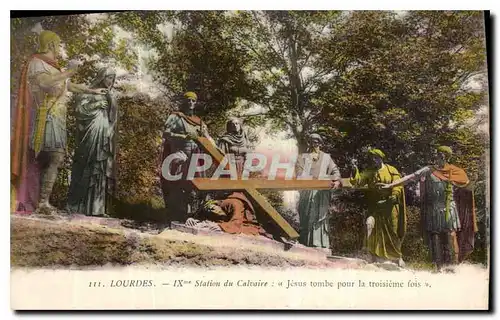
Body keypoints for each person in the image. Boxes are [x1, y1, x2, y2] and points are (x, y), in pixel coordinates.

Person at [11, 29, 107, 215]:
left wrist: (91, 91)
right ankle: (35, 202)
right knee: (42, 158)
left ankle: (42, 202)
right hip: (43, 118)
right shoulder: (37, 63)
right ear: (51, 44)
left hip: (56, 119)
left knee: (54, 158)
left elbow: (69, 85)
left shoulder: (53, 67)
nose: (59, 48)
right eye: (58, 44)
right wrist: (68, 72)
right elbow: (45, 83)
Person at [377, 146, 476, 272]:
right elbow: (409, 178)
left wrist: (467, 184)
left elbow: (468, 186)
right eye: (436, 154)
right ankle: (438, 267)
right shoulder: (428, 170)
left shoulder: (455, 171)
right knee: (435, 238)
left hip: (448, 209)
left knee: (450, 237)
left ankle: (452, 268)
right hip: (433, 209)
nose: (436, 157)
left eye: (439, 154)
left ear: (445, 156)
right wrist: (390, 185)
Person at [66, 67, 118, 217]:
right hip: (90, 132)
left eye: (113, 79)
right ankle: (78, 206)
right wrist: (96, 105)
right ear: (102, 77)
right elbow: (79, 110)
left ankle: (96, 208)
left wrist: (111, 102)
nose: (110, 82)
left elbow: (113, 118)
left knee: (99, 166)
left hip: (103, 132)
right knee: (86, 164)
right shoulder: (88, 91)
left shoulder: (110, 95)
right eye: (108, 78)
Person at [160, 91, 215, 224]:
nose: (190, 103)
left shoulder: (199, 122)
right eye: (188, 100)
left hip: (196, 155)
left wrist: (216, 149)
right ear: (184, 102)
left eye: (193, 101)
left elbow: (208, 138)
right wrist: (183, 137)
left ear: (196, 103)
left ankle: (192, 215)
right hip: (180, 153)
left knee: (195, 184)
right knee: (178, 183)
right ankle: (177, 215)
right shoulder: (176, 117)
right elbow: (166, 133)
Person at [349, 148, 407, 267]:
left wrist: (394, 195)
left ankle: (396, 257)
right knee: (371, 225)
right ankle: (373, 255)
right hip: (376, 206)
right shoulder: (370, 172)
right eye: (372, 159)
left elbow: (398, 184)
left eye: (376, 158)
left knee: (393, 231)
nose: (374, 161)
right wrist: (354, 169)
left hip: (390, 206)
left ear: (381, 158)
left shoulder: (391, 170)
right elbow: (358, 181)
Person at [296, 133, 342, 250]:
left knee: (319, 216)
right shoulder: (303, 157)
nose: (314, 144)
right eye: (312, 141)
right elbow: (298, 173)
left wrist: (336, 181)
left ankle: (320, 244)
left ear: (320, 143)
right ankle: (305, 243)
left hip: (321, 193)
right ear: (309, 143)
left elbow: (335, 171)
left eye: (316, 142)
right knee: (306, 215)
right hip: (307, 191)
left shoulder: (326, 157)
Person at [186, 192, 268, 237]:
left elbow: (236, 224)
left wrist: (219, 227)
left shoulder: (236, 202)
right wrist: (193, 220)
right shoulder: (214, 198)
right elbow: (205, 215)